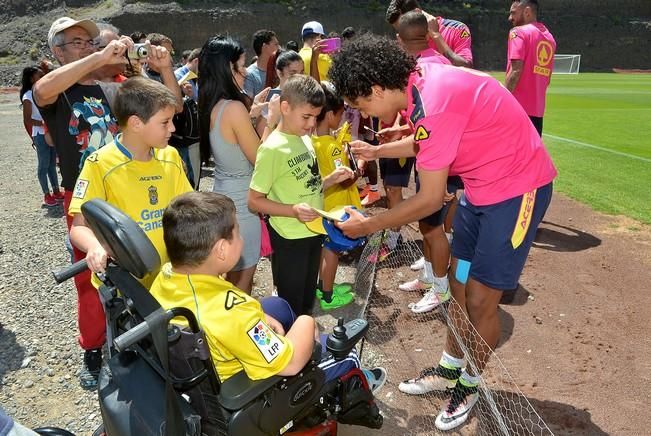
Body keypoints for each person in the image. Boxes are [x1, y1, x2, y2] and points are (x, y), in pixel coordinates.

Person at [328, 34, 556, 431]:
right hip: (481, 190)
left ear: (377, 88)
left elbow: (431, 198)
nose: (362, 112)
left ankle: (469, 383)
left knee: (483, 299)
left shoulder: (433, 101)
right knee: (458, 281)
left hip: (519, 193)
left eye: (360, 104)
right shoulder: (419, 83)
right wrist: (380, 151)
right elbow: (431, 143)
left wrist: (371, 223)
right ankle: (451, 367)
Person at [149, 191, 387, 392]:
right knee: (344, 352)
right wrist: (307, 323)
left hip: (209, 355)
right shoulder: (234, 313)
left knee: (278, 307)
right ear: (221, 250)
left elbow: (233, 317)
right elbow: (290, 364)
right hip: (245, 387)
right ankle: (359, 384)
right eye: (237, 233)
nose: (241, 239)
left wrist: (260, 318)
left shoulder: (168, 274)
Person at [68, 77, 192, 386]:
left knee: (168, 348)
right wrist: (95, 246)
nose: (173, 129)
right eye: (165, 122)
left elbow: (189, 210)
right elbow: (79, 228)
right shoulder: (99, 164)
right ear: (136, 123)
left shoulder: (171, 157)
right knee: (129, 353)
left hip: (168, 276)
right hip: (126, 285)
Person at [248, 75, 355, 316]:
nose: (311, 124)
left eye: (315, 117)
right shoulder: (272, 148)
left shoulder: (306, 139)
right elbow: (254, 201)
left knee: (307, 298)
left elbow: (309, 185)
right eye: (306, 117)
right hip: (289, 237)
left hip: (313, 230)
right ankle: (292, 345)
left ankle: (304, 336)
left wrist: (330, 180)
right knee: (290, 302)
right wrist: (292, 211)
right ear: (285, 108)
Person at [198, 36, 279, 293]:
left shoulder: (213, 105)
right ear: (224, 70)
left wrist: (253, 114)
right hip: (243, 205)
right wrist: (271, 119)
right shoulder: (234, 108)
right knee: (243, 279)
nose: (244, 72)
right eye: (238, 67)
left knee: (230, 278)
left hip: (224, 193)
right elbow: (260, 158)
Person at [393, 10, 455, 312]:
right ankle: (432, 278)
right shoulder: (440, 60)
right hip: (440, 153)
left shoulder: (416, 69)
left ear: (399, 39)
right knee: (428, 223)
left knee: (433, 227)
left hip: (439, 158)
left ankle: (441, 287)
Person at [312, 82, 361, 310]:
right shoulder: (331, 146)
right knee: (331, 251)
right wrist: (359, 164)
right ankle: (329, 297)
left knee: (325, 247)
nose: (342, 120)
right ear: (330, 114)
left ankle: (323, 287)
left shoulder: (313, 140)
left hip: (323, 204)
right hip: (336, 206)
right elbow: (345, 177)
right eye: (340, 115)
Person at [506, 0, 556, 136]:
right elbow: (547, 79)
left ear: (527, 12)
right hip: (537, 112)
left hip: (517, 109)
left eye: (513, 13)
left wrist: (503, 100)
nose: (510, 18)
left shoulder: (518, 33)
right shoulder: (550, 39)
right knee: (530, 155)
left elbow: (516, 71)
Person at [20, 66, 63, 207]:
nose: (43, 76)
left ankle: (56, 191)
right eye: (39, 75)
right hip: (40, 134)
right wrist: (43, 123)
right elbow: (27, 119)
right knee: (43, 165)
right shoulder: (27, 96)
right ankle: (46, 194)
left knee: (52, 163)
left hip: (49, 133)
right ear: (32, 78)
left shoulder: (42, 93)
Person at [386, 0, 473, 67]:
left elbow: (466, 67)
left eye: (404, 26)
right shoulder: (403, 38)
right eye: (399, 29)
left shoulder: (457, 29)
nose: (402, 33)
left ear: (417, 12)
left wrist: (436, 36)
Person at [173, 48, 202, 189]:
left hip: (192, 135)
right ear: (196, 61)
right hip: (184, 136)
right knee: (189, 175)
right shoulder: (177, 75)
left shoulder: (194, 77)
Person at [244, 29, 280, 98]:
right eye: (276, 44)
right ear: (265, 47)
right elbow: (248, 105)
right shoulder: (250, 75)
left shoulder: (279, 70)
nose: (279, 48)